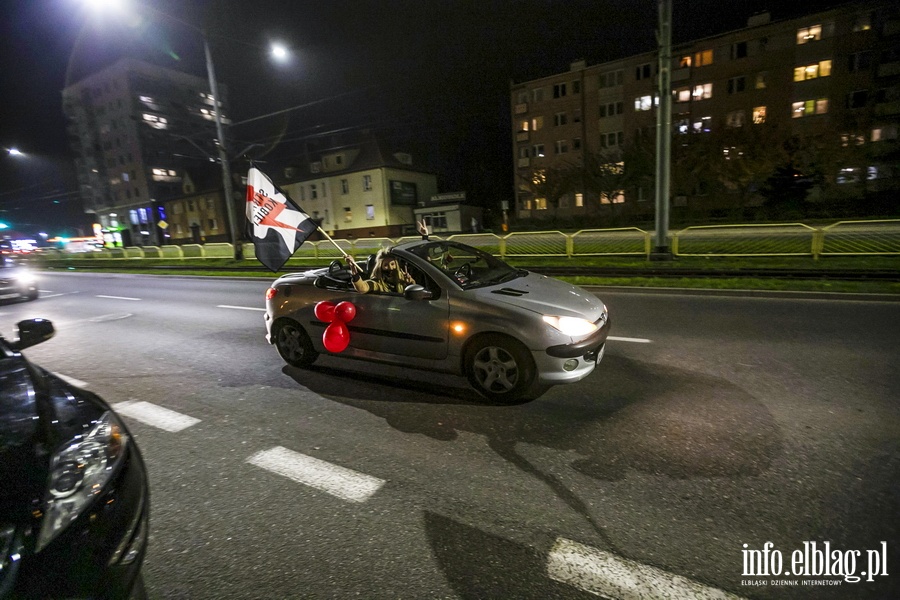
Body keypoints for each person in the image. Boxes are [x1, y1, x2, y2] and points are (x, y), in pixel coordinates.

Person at [347, 249, 415, 294]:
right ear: (380, 267)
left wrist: (410, 283)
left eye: (392, 264)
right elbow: (362, 288)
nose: (390, 268)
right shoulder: (377, 283)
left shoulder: (402, 279)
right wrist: (353, 269)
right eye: (386, 265)